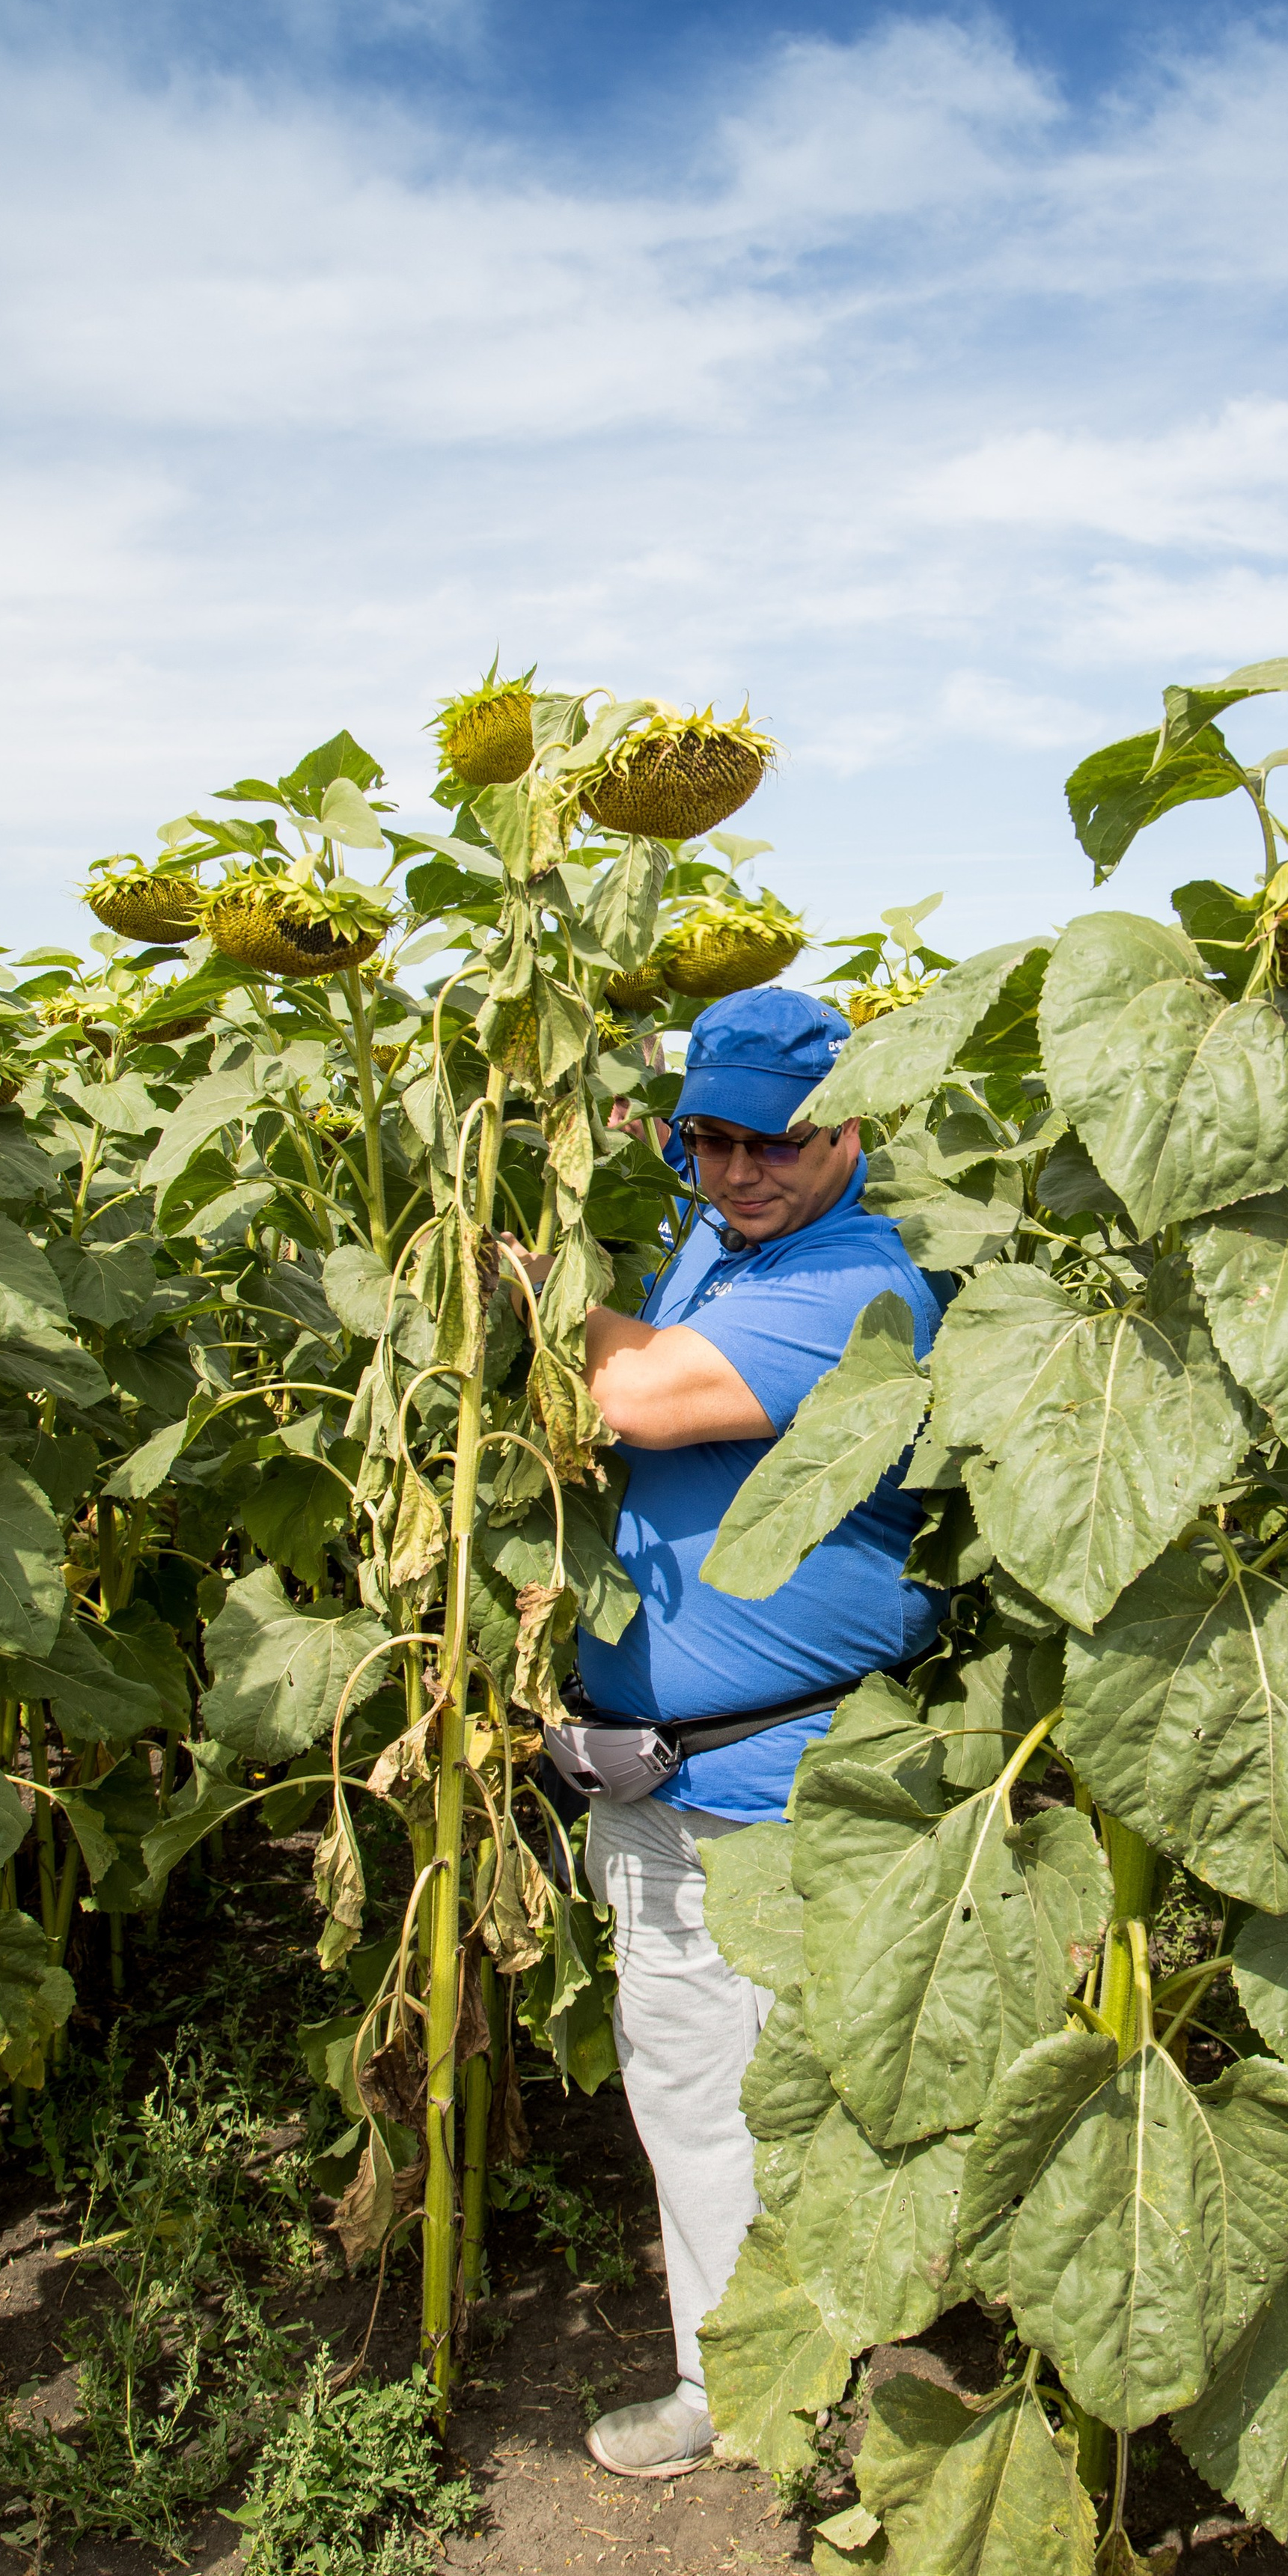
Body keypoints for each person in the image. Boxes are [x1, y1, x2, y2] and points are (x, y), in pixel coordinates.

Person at [503, 988, 947, 2479]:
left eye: (777, 1141)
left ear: (851, 1133)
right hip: (654, 1783)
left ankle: (818, 2400)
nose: (740, 1169)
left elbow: (630, 1388)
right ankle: (734, 2382)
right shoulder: (721, 1236)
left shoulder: (858, 1290)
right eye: (709, 1140)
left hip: (796, 1795)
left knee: (804, 2107)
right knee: (686, 2092)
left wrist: (495, 1272)